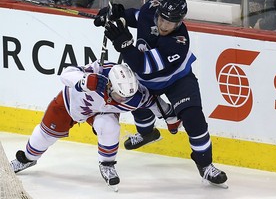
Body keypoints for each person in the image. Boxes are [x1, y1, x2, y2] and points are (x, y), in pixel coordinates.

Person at [94, 0, 228, 186]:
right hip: (144, 80)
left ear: (180, 22)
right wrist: (115, 14)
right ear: (157, 12)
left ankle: (205, 166)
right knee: (133, 99)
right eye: (162, 19)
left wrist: (123, 43)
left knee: (194, 119)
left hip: (177, 80)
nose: (164, 25)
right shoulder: (151, 9)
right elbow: (134, 17)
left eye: (170, 23)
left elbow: (143, 65)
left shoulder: (178, 41)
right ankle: (147, 133)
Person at [10, 60, 177, 187]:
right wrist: (84, 80)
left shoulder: (135, 95)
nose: (123, 100)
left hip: (101, 112)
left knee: (110, 127)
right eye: (120, 95)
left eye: (126, 97)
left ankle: (107, 164)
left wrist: (171, 119)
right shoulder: (100, 71)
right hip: (70, 105)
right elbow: (66, 74)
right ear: (110, 84)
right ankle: (27, 158)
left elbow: (157, 105)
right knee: (44, 136)